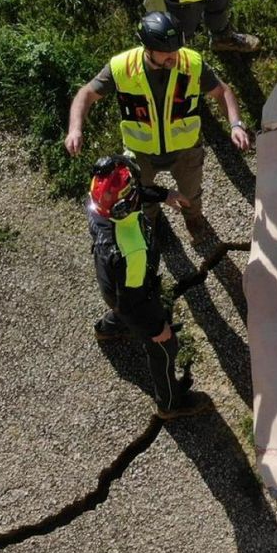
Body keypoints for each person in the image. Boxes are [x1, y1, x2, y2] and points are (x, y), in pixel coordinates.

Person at [65, 11, 253, 245]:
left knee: (192, 194)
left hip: (185, 150)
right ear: (148, 49)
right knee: (143, 197)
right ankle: (150, 223)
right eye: (167, 52)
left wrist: (236, 124)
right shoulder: (121, 67)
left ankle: (193, 219)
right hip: (140, 152)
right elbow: (86, 93)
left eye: (176, 48)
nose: (174, 56)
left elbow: (222, 91)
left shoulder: (190, 63)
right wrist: (75, 129)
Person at [86, 155, 212, 419]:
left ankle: (106, 330)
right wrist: (157, 328)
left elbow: (131, 196)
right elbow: (133, 301)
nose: (137, 188)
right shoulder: (133, 250)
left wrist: (163, 194)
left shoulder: (98, 207)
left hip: (109, 281)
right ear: (125, 204)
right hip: (131, 293)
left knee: (118, 304)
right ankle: (169, 403)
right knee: (164, 349)